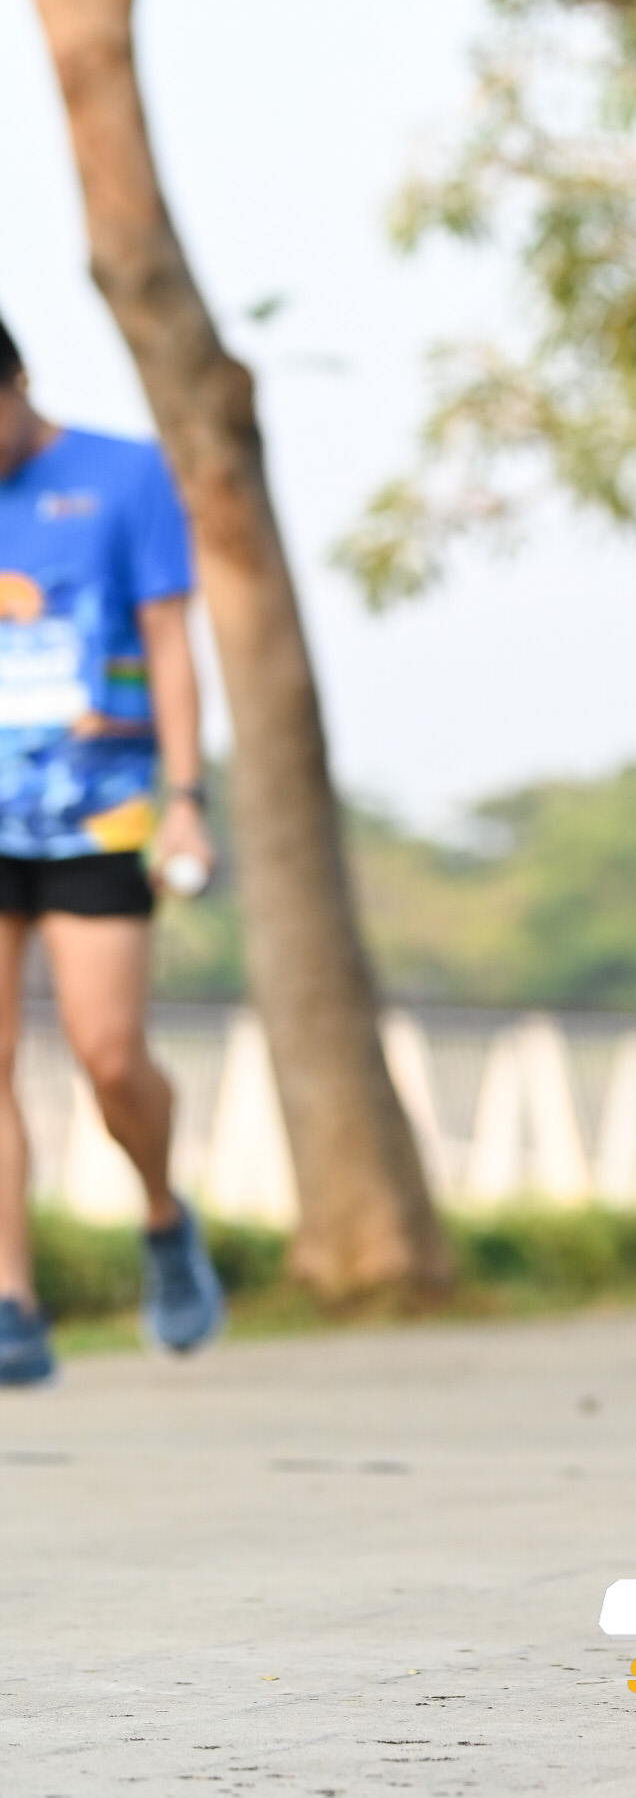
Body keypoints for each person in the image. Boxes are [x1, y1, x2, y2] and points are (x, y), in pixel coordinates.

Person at [0, 315, 226, 1385]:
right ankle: (13, 1302)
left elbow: (172, 645)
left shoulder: (124, 475)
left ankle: (163, 1214)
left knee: (108, 1055)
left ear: (18, 383)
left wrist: (186, 798)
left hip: (99, 813)